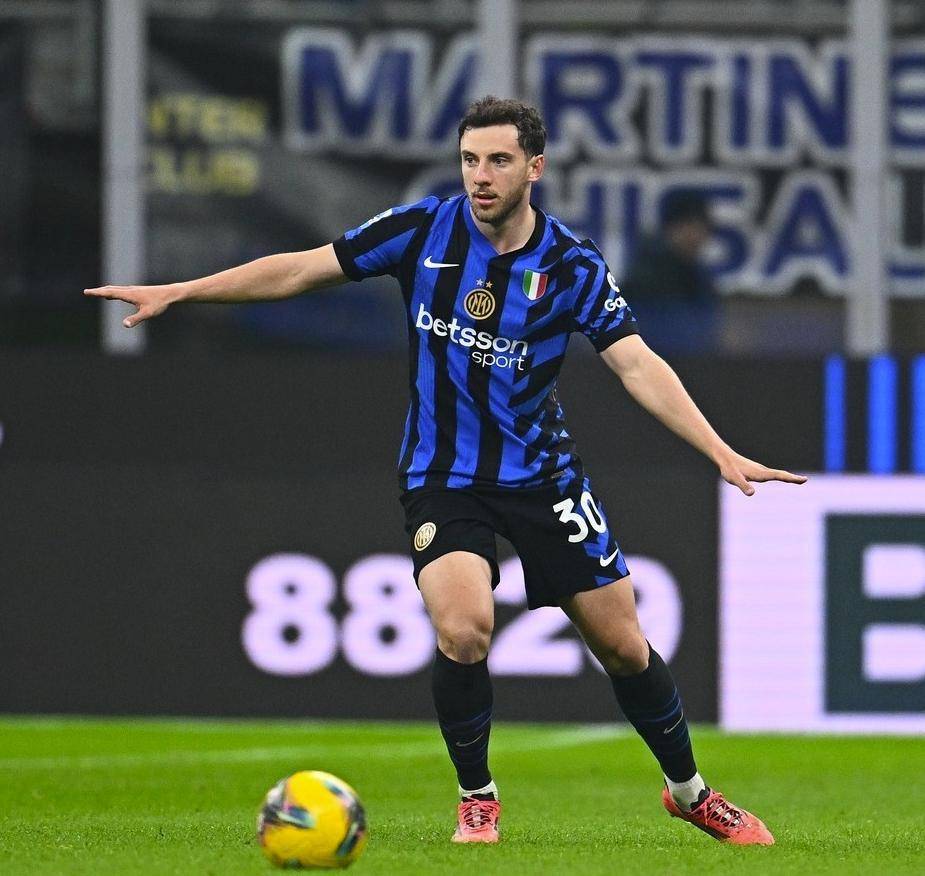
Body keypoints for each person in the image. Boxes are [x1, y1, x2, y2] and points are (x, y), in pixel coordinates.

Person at [86, 96, 806, 847]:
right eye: (469, 159)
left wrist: (718, 449)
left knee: (623, 646)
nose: (480, 176)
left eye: (498, 160)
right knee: (464, 630)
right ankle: (477, 797)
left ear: (534, 167)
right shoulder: (420, 229)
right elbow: (301, 269)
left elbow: (635, 363)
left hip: (543, 477)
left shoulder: (572, 264)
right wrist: (182, 291)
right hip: (443, 474)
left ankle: (689, 793)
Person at [620, 189, 719, 354]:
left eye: (701, 228)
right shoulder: (645, 277)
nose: (694, 236)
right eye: (687, 226)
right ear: (668, 229)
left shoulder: (699, 276)